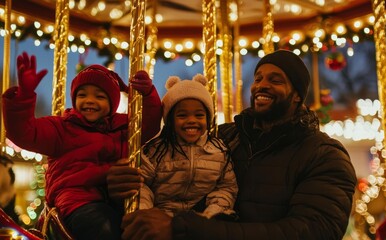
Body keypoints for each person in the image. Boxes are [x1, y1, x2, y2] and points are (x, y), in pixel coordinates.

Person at [107, 50, 357, 240]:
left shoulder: (324, 155)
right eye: (258, 78)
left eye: (276, 79)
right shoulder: (223, 138)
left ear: (297, 95)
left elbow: (311, 231)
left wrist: (183, 228)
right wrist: (126, 184)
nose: (261, 85)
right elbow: (167, 178)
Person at [2, 52, 162, 240]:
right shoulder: (62, 128)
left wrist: (149, 95)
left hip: (114, 198)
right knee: (104, 229)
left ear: (112, 103)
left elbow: (149, 128)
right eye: (82, 94)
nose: (89, 100)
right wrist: (24, 96)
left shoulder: (121, 128)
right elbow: (24, 133)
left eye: (99, 96)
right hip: (77, 200)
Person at [137, 74, 238, 220]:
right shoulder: (157, 151)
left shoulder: (219, 151)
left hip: (201, 219)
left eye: (199, 115)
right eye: (182, 115)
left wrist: (213, 213)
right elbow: (142, 185)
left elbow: (226, 187)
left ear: (208, 118)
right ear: (170, 120)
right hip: (161, 217)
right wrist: (146, 211)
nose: (191, 121)